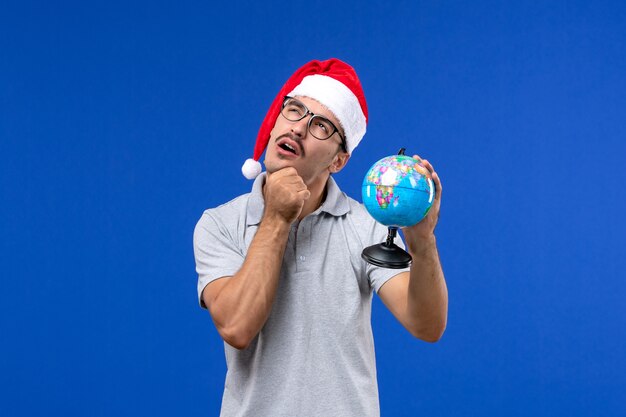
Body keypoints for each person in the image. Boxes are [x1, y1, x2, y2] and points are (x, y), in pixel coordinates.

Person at [193, 58, 447, 417]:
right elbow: (236, 326)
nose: (298, 128)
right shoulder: (219, 223)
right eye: (294, 110)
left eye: (321, 126)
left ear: (339, 161)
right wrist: (277, 217)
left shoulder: (366, 225)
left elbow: (426, 325)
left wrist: (423, 242)